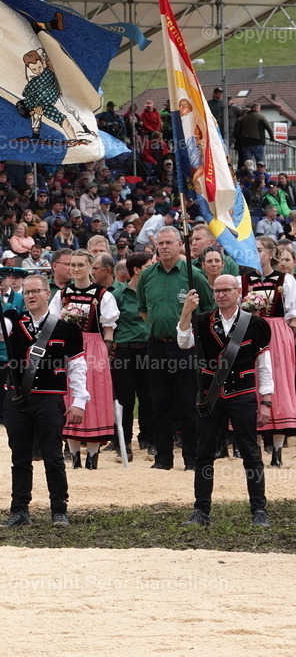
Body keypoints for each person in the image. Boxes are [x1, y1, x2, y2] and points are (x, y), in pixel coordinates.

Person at [0, 275, 88, 528]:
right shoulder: (12, 319)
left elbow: (77, 366)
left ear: (47, 293)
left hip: (50, 400)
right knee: (20, 456)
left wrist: (79, 401)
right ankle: (19, 510)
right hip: (18, 398)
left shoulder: (66, 328)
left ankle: (59, 510)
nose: (30, 296)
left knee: (53, 456)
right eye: (26, 292)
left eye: (36, 291)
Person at [178, 276, 272, 527]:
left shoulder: (256, 324)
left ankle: (259, 510)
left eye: (226, 290)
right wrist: (186, 312)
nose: (221, 295)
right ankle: (201, 510)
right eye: (217, 291)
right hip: (211, 395)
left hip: (242, 394)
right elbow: (183, 341)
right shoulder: (201, 320)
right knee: (204, 453)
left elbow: (264, 365)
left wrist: (267, 400)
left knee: (251, 453)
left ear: (238, 292)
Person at [137, 226, 213, 471]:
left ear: (180, 244)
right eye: (160, 244)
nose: (164, 247)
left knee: (188, 404)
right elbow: (142, 309)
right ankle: (163, 459)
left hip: (186, 349)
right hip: (157, 346)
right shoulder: (147, 276)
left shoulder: (193, 275)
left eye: (169, 242)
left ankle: (191, 458)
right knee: (160, 404)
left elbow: (208, 310)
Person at [49, 249, 120, 469]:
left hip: (94, 347)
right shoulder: (62, 294)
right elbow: (52, 323)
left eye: (81, 265)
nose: (76, 269)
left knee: (95, 395)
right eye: (73, 265)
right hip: (69, 348)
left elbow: (109, 328)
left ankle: (92, 456)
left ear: (90, 267)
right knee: (70, 394)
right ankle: (74, 455)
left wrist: (105, 352)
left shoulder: (102, 294)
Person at [242, 236, 296, 466]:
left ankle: (277, 451)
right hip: (251, 332)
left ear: (272, 253)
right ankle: (252, 447)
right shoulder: (242, 280)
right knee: (251, 384)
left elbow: (292, 316)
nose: (256, 254)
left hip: (277, 333)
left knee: (279, 385)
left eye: (260, 250)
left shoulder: (287, 280)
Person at [110, 251, 153, 462]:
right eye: (148, 265)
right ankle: (123, 441)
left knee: (150, 397)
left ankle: (149, 438)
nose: (153, 268)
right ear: (136, 269)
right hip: (125, 350)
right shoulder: (118, 295)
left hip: (149, 349)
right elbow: (110, 323)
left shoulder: (153, 292)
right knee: (125, 399)